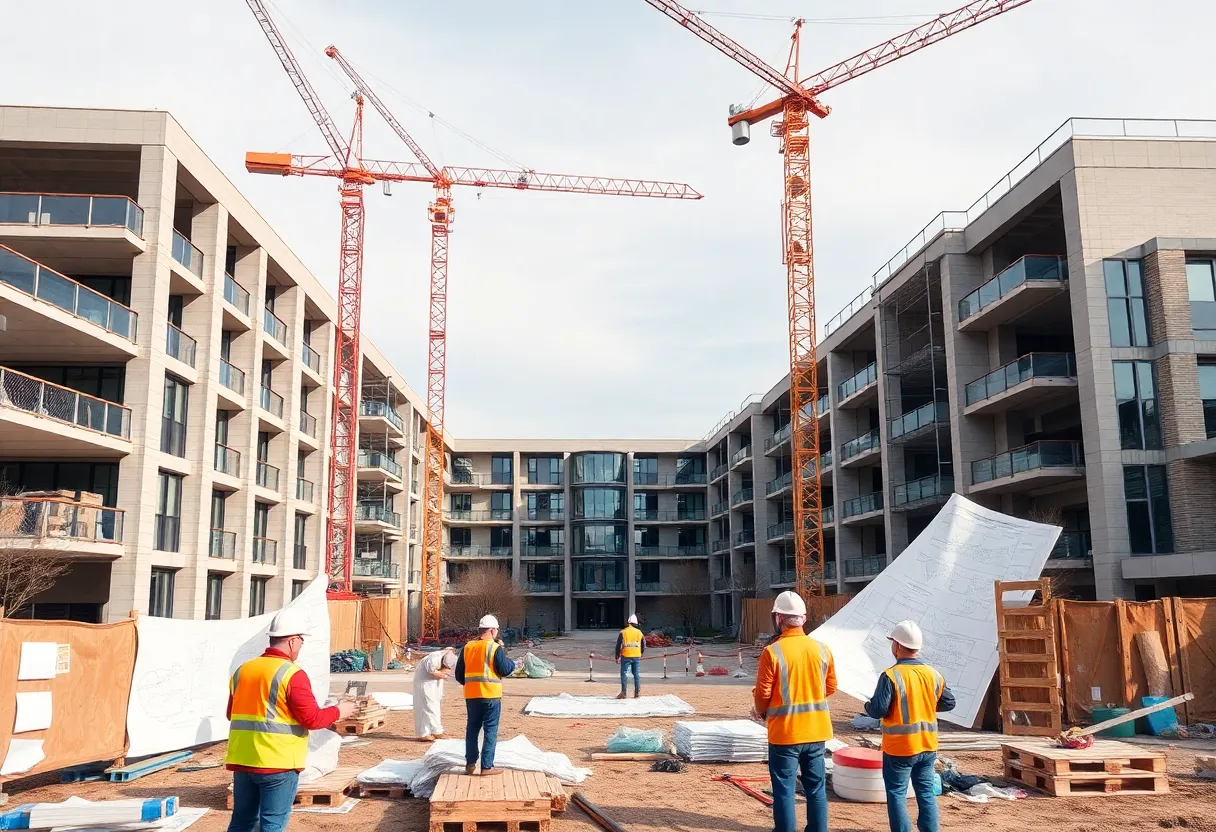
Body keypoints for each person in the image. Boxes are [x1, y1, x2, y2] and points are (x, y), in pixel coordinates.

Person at [225, 607, 356, 832]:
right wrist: (339, 711)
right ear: (293, 641)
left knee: (241, 823)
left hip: (243, 760)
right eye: (301, 642)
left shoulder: (243, 670)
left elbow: (232, 714)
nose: (300, 648)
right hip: (278, 763)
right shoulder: (292, 673)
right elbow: (312, 719)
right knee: (272, 825)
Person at [753, 591, 835, 832]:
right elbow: (830, 686)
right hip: (817, 731)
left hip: (785, 733)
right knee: (816, 788)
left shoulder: (773, 652)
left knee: (784, 789)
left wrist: (761, 711)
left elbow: (763, 695)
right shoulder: (822, 649)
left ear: (778, 618)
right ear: (804, 618)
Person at [863, 620, 956, 832]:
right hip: (927, 746)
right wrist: (924, 704)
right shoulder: (933, 674)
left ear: (897, 645)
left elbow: (878, 709)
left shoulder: (891, 675)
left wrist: (867, 705)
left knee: (896, 792)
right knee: (925, 792)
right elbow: (949, 702)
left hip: (900, 748)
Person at [454, 614, 516, 776]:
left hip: (472, 695)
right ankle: (487, 767)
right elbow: (504, 669)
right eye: (496, 630)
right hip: (491, 695)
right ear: (492, 630)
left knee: (472, 729)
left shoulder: (467, 647)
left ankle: (470, 763)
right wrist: (510, 661)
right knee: (490, 730)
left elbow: (459, 675)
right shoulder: (494, 648)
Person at [414, 647, 458, 741]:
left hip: (433, 685)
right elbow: (432, 672)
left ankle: (425, 733)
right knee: (431, 708)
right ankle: (437, 731)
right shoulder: (434, 657)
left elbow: (448, 672)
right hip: (426, 685)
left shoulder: (444, 658)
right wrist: (446, 676)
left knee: (429, 709)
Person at [614, 613, 645, 699]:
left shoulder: (623, 632)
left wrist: (617, 656)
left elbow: (618, 645)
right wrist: (641, 653)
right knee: (636, 674)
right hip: (636, 656)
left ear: (628, 623)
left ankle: (623, 693)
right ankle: (637, 693)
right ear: (636, 623)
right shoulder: (639, 633)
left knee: (624, 673)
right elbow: (643, 644)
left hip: (626, 655)